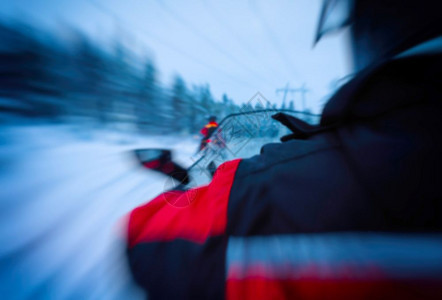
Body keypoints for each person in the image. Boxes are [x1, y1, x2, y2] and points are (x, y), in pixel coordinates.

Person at [126, 1, 442, 299]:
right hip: (213, 148)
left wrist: (198, 177)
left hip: (211, 171)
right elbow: (209, 139)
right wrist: (209, 141)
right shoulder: (209, 130)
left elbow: (149, 235)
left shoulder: (273, 192)